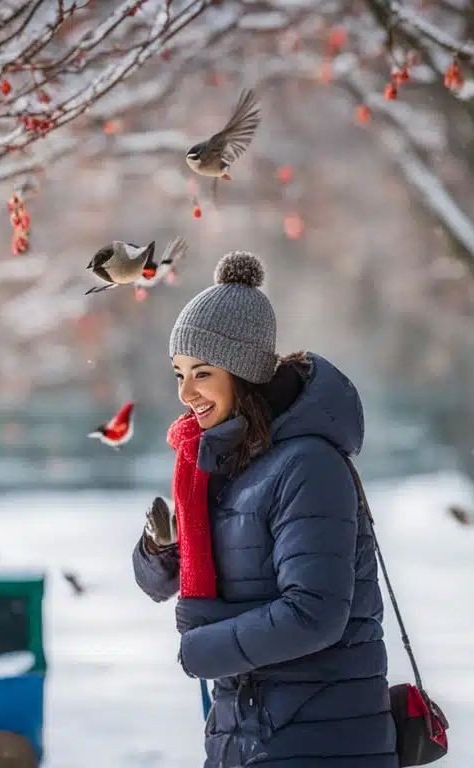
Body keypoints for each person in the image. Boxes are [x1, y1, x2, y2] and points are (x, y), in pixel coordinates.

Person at [133, 251, 397, 767]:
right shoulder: (223, 465)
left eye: (202, 373)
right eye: (179, 374)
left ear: (243, 374)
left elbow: (315, 614)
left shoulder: (307, 466)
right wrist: (162, 549)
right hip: (254, 734)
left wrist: (202, 647)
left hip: (318, 741)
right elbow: (165, 582)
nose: (186, 393)